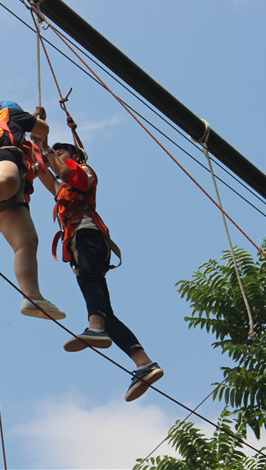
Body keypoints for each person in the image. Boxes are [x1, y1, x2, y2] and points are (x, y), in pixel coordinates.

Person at [34, 141, 163, 402]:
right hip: (80, 243)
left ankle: (95, 328)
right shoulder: (64, 188)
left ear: (75, 155)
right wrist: (37, 143)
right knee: (107, 313)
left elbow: (69, 174)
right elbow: (44, 174)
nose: (55, 157)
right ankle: (144, 363)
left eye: (61, 154)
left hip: (89, 236)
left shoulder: (85, 172)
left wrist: (47, 148)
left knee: (91, 283)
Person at [0, 100, 65, 321]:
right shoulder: (10, 114)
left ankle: (32, 296)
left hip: (3, 183)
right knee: (7, 180)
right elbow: (43, 130)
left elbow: (38, 168)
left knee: (27, 241)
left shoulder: (17, 144)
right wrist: (39, 121)